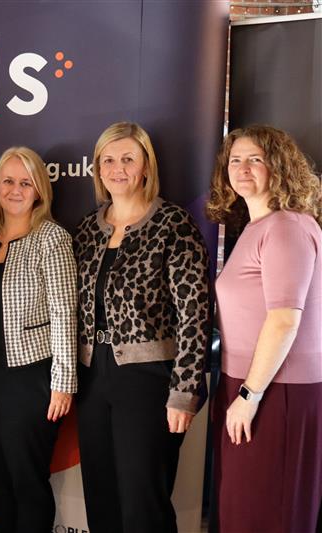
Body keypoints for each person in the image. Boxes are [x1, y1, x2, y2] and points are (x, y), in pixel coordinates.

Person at [73, 122, 209, 533]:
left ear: (146, 167)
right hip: (92, 376)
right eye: (108, 160)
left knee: (142, 502)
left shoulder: (174, 225)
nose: (117, 168)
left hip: (149, 381)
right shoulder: (85, 230)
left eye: (128, 159)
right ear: (97, 169)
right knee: (101, 495)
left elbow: (195, 317)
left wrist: (184, 391)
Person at [206, 125, 322, 533]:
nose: (243, 168)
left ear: (279, 166)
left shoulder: (287, 227)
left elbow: (284, 319)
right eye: (235, 160)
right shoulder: (257, 227)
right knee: (243, 512)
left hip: (276, 391)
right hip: (247, 385)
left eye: (255, 158)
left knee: (269, 514)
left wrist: (250, 396)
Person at [0, 146, 77, 533]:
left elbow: (64, 313)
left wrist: (63, 382)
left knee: (27, 480)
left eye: (26, 182)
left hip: (30, 376)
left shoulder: (51, 238)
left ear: (39, 190)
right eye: (8, 180)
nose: (16, 189)